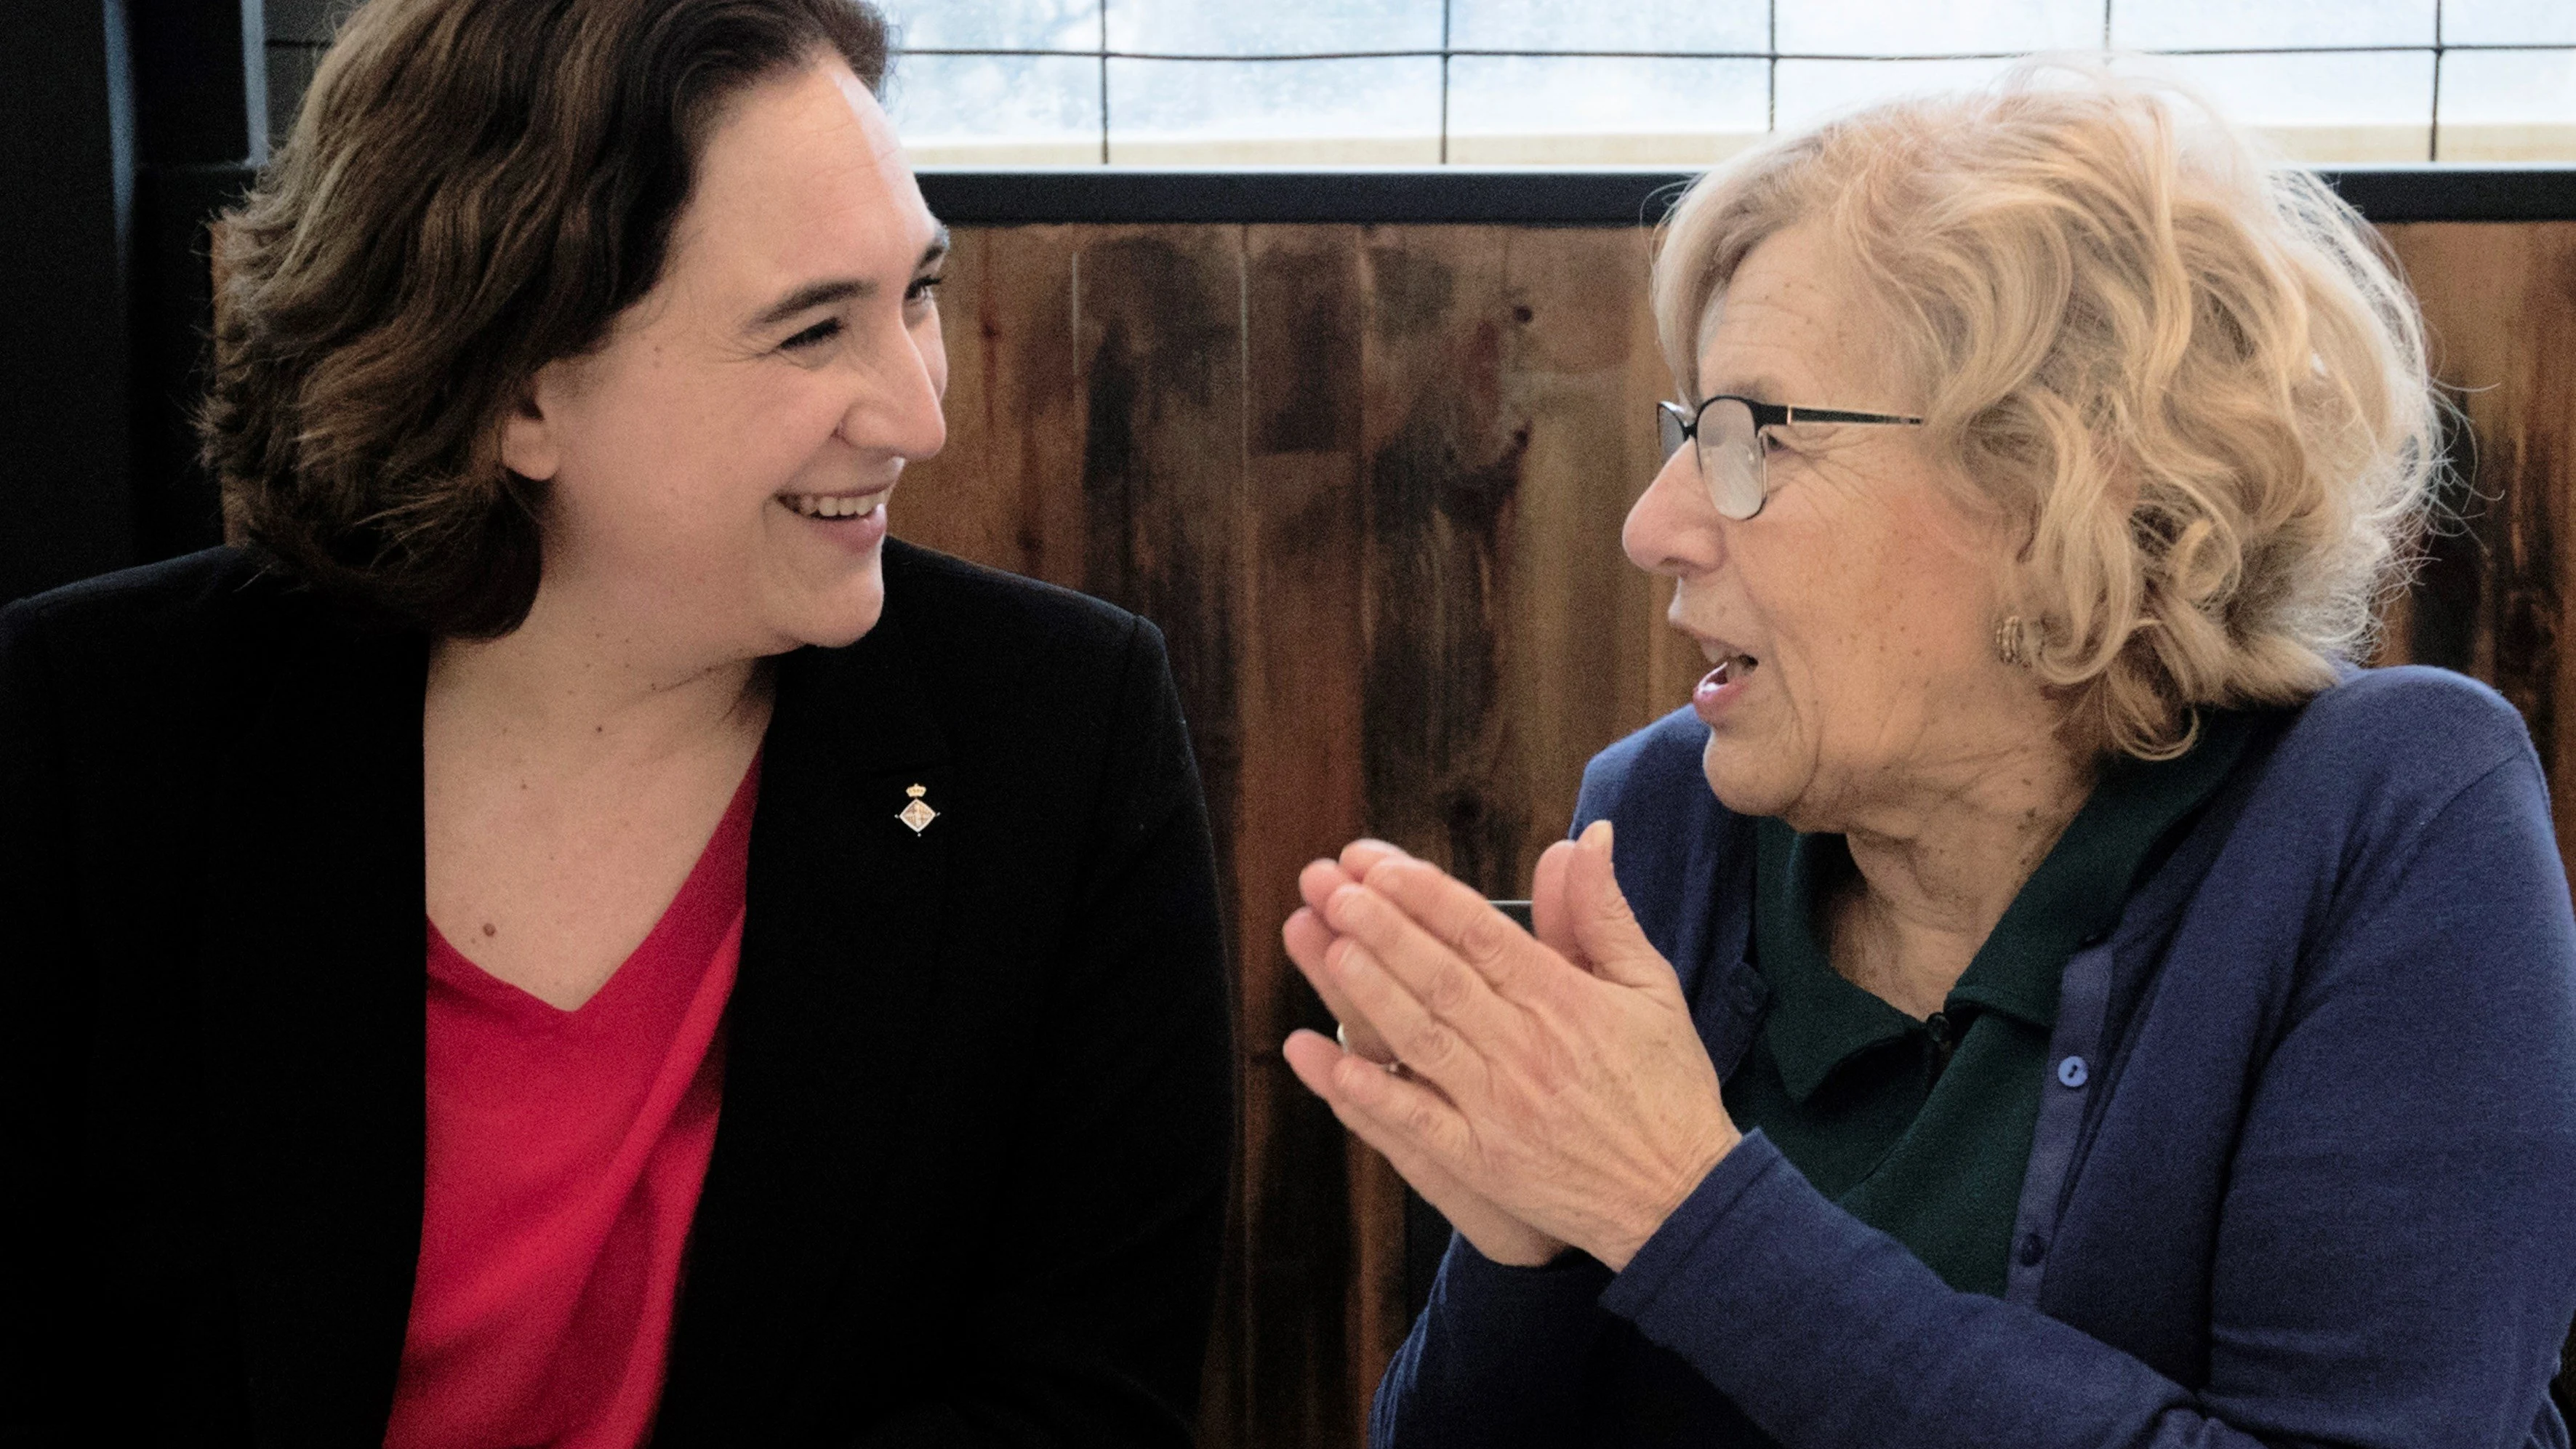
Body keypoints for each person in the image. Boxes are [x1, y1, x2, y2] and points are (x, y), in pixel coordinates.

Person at [1283, 63, 2576, 1448]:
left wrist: (1676, 1204)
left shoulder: (2384, 818)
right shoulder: (1662, 822)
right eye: (1686, 431)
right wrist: (1528, 1243)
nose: (1652, 525)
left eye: (1750, 438)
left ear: (2063, 482)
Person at [0, 1, 1232, 1443]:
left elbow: (1084, 1401)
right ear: (516, 390)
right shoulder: (98, 730)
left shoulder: (1058, 738)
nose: (918, 412)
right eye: (808, 329)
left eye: (915, 294)